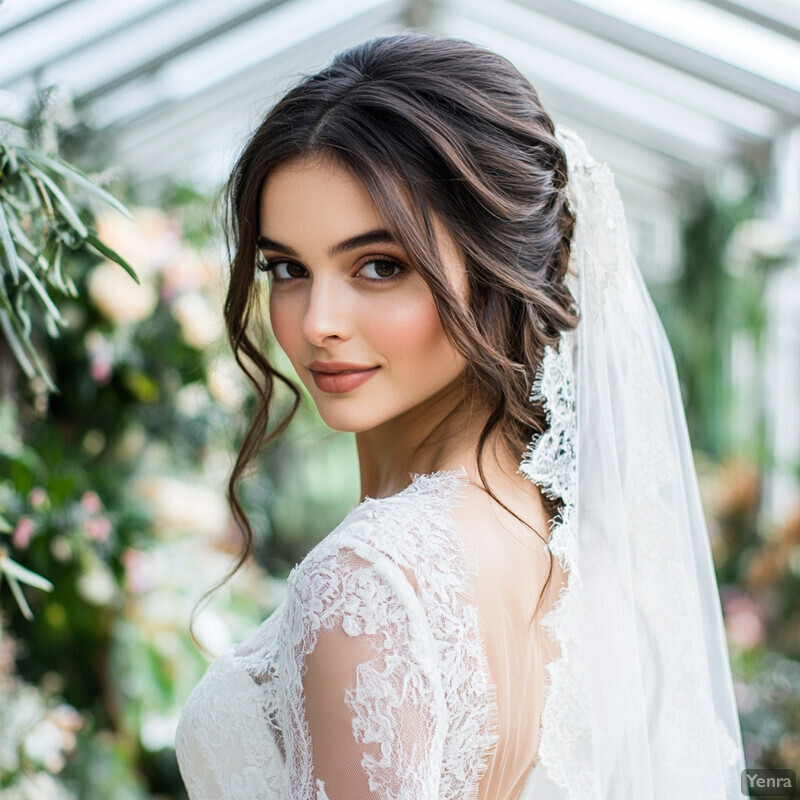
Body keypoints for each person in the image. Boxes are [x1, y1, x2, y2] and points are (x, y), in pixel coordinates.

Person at [175, 32, 746, 800]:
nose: (317, 321)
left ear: (498, 269)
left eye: (379, 266)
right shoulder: (568, 538)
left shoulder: (368, 579)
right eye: (287, 269)